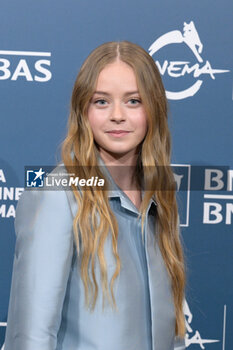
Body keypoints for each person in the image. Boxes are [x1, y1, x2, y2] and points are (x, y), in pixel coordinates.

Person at [4, 41, 186, 350]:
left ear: (154, 108)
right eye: (101, 101)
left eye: (133, 101)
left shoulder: (161, 195)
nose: (117, 115)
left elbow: (171, 334)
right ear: (83, 110)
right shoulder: (57, 193)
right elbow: (31, 336)